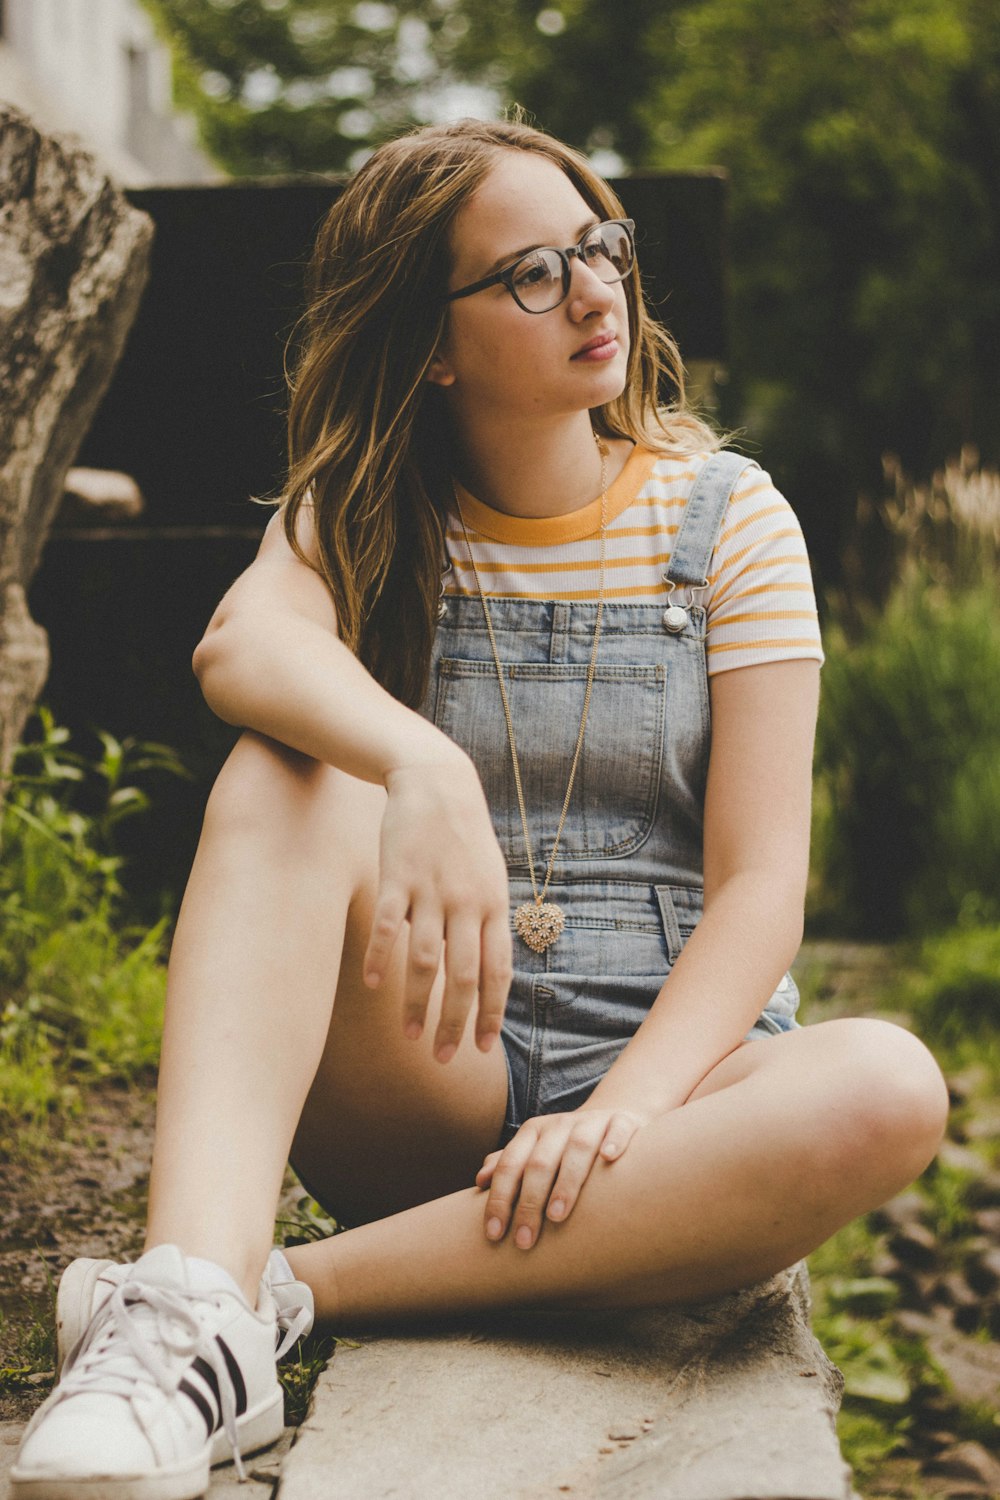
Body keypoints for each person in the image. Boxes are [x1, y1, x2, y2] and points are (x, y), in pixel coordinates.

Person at [12, 115, 950, 1500]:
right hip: (438, 1062)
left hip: (684, 1089)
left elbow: (761, 891)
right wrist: (421, 765)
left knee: (886, 1087)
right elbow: (240, 650)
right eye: (531, 273)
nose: (593, 292)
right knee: (286, 770)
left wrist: (620, 1115)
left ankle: (251, 1304)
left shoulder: (730, 521)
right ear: (432, 342)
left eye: (601, 247)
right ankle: (181, 1311)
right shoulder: (372, 511)